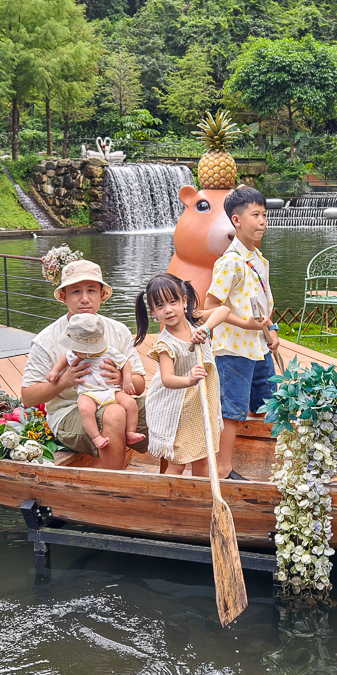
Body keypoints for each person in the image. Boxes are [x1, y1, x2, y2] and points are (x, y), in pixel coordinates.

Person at [21, 258, 147, 470]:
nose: (85, 299)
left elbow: (140, 384)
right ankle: (115, 489)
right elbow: (28, 397)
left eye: (91, 290)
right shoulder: (47, 339)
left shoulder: (118, 330)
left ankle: (174, 482)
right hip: (69, 411)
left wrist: (121, 378)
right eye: (76, 292)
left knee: (165, 403)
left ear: (102, 295)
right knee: (115, 414)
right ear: (64, 296)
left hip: (114, 398)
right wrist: (63, 381)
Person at [201, 186, 279, 480]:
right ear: (236, 220)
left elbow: (260, 303)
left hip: (257, 346)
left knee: (267, 402)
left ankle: (263, 455)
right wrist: (246, 324)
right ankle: (223, 468)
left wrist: (270, 331)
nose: (262, 221)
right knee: (232, 409)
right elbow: (209, 308)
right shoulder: (230, 262)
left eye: (264, 215)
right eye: (255, 215)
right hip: (234, 350)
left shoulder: (257, 258)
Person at [134, 274, 230, 477]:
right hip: (176, 407)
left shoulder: (195, 322)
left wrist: (205, 329)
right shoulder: (165, 344)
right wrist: (190, 379)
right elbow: (168, 379)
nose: (168, 310)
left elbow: (224, 310)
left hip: (200, 403)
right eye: (160, 306)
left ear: (184, 302)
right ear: (153, 313)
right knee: (177, 462)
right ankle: (169, 504)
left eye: (172, 301)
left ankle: (200, 501)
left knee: (203, 459)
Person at [46, 313, 145, 451]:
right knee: (86, 409)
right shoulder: (74, 353)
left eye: (76, 347)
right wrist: (55, 371)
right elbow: (64, 359)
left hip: (110, 391)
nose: (73, 350)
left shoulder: (109, 352)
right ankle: (96, 436)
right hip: (89, 393)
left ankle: (130, 432)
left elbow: (125, 363)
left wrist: (126, 381)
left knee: (131, 403)